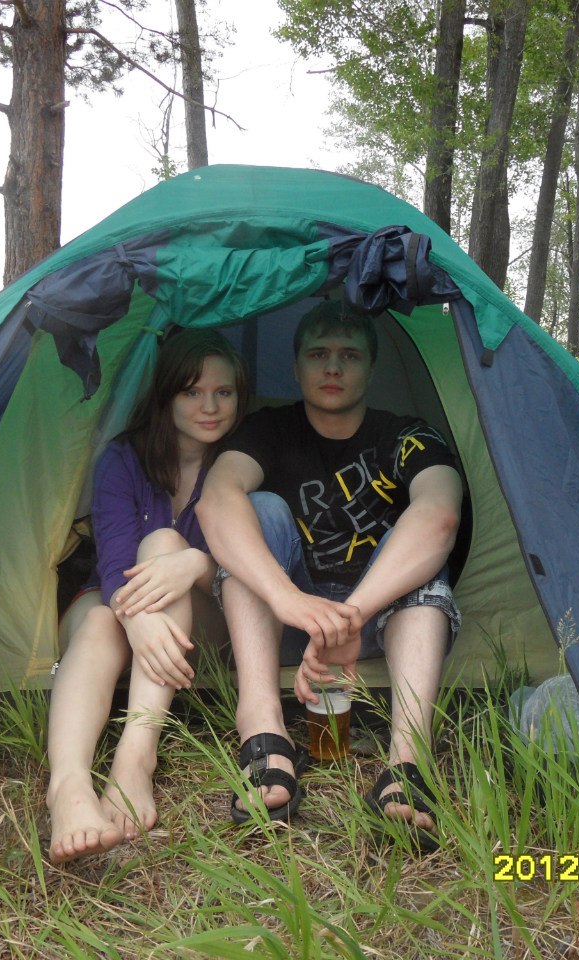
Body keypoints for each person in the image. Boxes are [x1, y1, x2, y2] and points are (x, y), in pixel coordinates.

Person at [196, 300, 462, 849]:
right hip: (282, 621)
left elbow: (440, 513)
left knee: (418, 547)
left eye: (349, 355)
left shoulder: (408, 435)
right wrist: (287, 598)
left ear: (371, 368)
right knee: (257, 510)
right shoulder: (268, 429)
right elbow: (215, 499)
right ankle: (262, 728)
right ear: (296, 369)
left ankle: (407, 760)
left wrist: (351, 617)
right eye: (318, 355)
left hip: (378, 624)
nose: (333, 367)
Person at [47, 328, 250, 863]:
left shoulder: (244, 460)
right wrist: (133, 616)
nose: (210, 407)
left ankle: (135, 758)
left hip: (206, 622)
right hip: (115, 607)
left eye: (223, 392)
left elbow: (252, 564)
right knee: (101, 617)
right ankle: (68, 787)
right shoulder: (124, 458)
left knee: (164, 544)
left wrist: (196, 562)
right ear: (166, 395)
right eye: (192, 391)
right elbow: (114, 560)